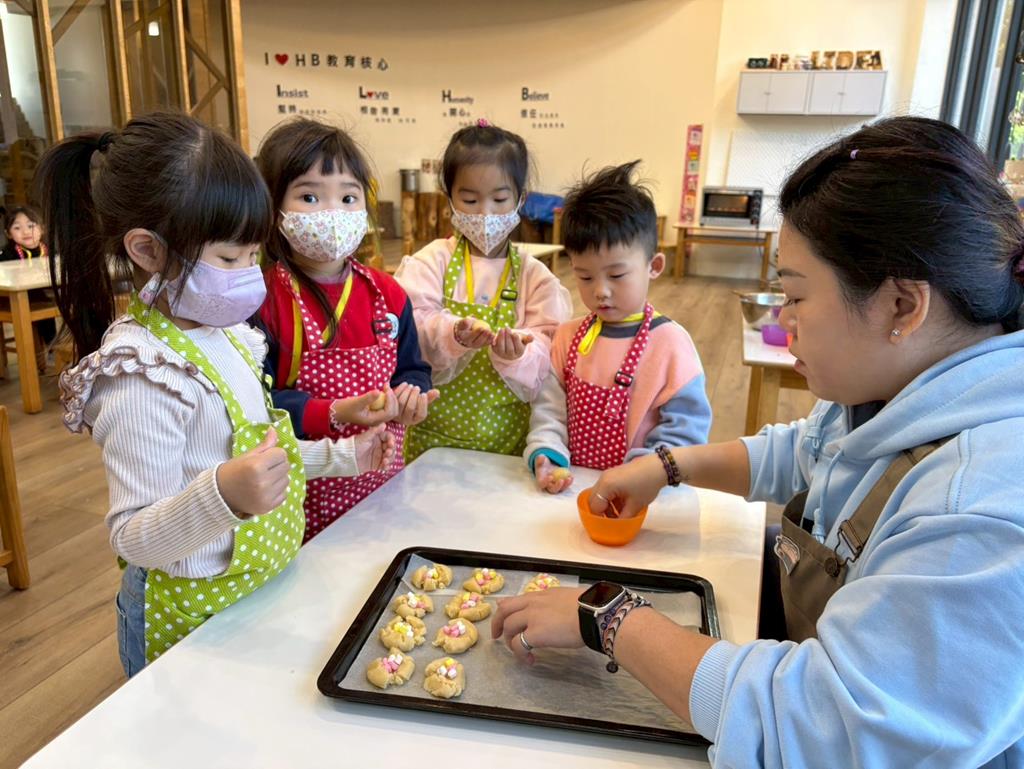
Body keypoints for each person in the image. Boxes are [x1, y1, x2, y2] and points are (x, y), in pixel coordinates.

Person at [492, 117, 1024, 767]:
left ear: (902, 306)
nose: (781, 319)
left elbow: (819, 726)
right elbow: (804, 451)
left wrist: (606, 615)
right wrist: (665, 466)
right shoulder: (887, 394)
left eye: (795, 295)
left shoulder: (980, 511)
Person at [41, 112, 394, 677]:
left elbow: (253, 452)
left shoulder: (224, 334)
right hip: (191, 615)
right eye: (229, 259)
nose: (249, 274)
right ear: (148, 250)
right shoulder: (142, 375)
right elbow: (134, 537)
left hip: (254, 592)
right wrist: (222, 496)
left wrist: (342, 456)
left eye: (253, 256)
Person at [254, 118, 436, 541]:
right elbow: (255, 408)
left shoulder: (388, 294)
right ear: (272, 206)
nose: (333, 212)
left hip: (383, 490)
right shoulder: (262, 301)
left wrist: (413, 395)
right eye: (310, 196)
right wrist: (333, 412)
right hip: (299, 505)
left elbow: (412, 368)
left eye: (349, 197)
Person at [524, 161, 711, 494]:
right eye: (585, 277)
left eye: (616, 275)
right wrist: (547, 452)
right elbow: (549, 410)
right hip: (571, 489)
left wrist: (644, 474)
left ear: (654, 266)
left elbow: (686, 433)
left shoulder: (671, 344)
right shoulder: (566, 338)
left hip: (646, 497)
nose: (601, 291)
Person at [395, 120, 572, 462]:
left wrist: (518, 354)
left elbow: (549, 351)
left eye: (500, 198)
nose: (485, 212)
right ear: (449, 197)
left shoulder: (535, 277)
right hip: (432, 443)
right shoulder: (431, 261)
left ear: (520, 199)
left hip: (506, 444)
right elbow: (408, 330)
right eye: (470, 199)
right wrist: (452, 334)